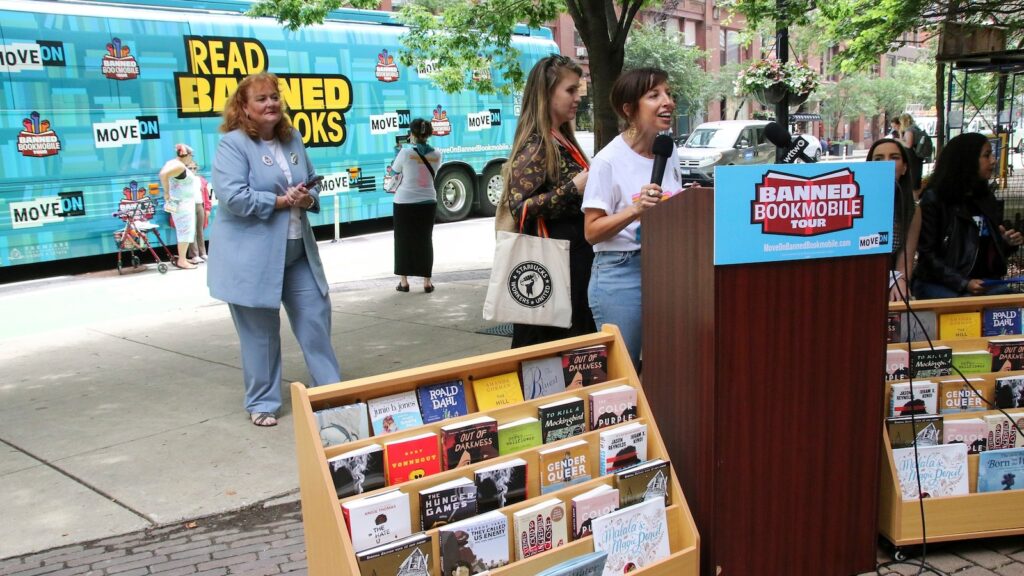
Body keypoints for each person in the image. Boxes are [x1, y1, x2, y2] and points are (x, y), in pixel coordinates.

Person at [208, 71, 341, 427]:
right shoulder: (233, 145)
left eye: (274, 97)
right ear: (245, 108)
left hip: (298, 252)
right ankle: (263, 402)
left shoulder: (293, 137)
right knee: (260, 335)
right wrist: (281, 201)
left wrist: (307, 195)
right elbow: (232, 196)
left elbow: (312, 182)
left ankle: (329, 393)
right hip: (251, 260)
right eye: (261, 99)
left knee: (315, 319)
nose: (270, 104)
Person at [582, 67, 683, 369]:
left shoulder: (669, 151)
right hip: (621, 272)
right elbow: (591, 231)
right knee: (625, 374)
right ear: (629, 109)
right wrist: (635, 210)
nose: (667, 102)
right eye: (654, 96)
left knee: (667, 369)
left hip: (668, 269)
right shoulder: (607, 161)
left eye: (668, 93)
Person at [500, 54, 595, 347]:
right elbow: (521, 207)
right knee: (554, 347)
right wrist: (573, 188)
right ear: (546, 92)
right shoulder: (538, 143)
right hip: (554, 262)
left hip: (569, 258)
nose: (578, 97)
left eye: (578, 89)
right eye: (570, 90)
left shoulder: (559, 138)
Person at [912, 132, 1024, 299]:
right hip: (941, 284)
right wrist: (963, 283)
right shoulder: (935, 199)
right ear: (966, 160)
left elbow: (986, 252)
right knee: (964, 307)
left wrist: (1006, 243)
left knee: (1008, 299)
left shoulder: (986, 199)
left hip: (984, 283)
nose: (993, 161)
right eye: (987, 155)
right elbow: (927, 256)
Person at [388, 118, 441, 293]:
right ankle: (427, 282)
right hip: (428, 202)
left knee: (403, 240)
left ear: (412, 134)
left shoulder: (404, 152)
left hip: (404, 202)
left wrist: (398, 153)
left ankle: (404, 282)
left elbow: (394, 171)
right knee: (425, 240)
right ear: (428, 134)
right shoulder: (437, 154)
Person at [867, 138, 921, 301]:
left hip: (888, 278)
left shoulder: (913, 210)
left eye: (894, 157)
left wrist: (900, 282)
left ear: (904, 168)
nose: (886, 163)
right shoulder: (855, 202)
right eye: (878, 159)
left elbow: (905, 258)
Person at [159, 143, 202, 269]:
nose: (192, 158)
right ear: (185, 154)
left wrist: (168, 193)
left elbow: (164, 174)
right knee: (185, 231)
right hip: (183, 203)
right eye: (191, 155)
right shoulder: (179, 166)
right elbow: (163, 175)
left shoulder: (171, 162)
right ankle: (182, 260)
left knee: (181, 230)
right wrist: (166, 192)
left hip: (176, 201)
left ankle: (182, 258)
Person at [185, 159, 211, 262]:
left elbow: (206, 195)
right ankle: (194, 254)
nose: (192, 170)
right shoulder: (183, 180)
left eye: (194, 168)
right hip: (188, 206)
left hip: (199, 205)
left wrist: (207, 208)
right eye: (190, 168)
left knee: (200, 230)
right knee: (192, 231)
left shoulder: (200, 180)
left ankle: (203, 253)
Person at [899, 113, 925, 193]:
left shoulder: (909, 130)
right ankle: (915, 199)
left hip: (912, 157)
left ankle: (914, 200)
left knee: (912, 179)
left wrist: (899, 140)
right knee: (916, 178)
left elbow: (908, 144)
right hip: (917, 156)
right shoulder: (916, 128)